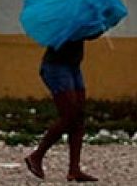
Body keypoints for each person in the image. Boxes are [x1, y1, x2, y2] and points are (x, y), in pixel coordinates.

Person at [24, 38, 96, 181]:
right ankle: (36, 156)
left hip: (73, 66)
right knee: (70, 115)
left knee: (79, 116)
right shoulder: (69, 22)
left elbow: (89, 33)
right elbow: (82, 32)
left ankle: (74, 169)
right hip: (56, 67)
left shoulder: (81, 19)